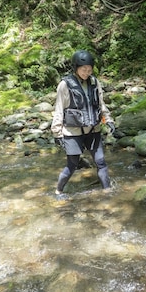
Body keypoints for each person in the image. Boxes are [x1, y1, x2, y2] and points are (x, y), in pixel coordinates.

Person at [51, 49, 115, 195]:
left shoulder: (94, 82)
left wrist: (108, 120)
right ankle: (58, 191)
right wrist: (57, 133)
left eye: (89, 70)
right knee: (72, 165)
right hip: (72, 131)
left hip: (93, 130)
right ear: (76, 68)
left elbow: (100, 104)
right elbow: (59, 108)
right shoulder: (65, 85)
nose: (87, 73)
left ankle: (107, 191)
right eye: (83, 69)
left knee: (101, 162)